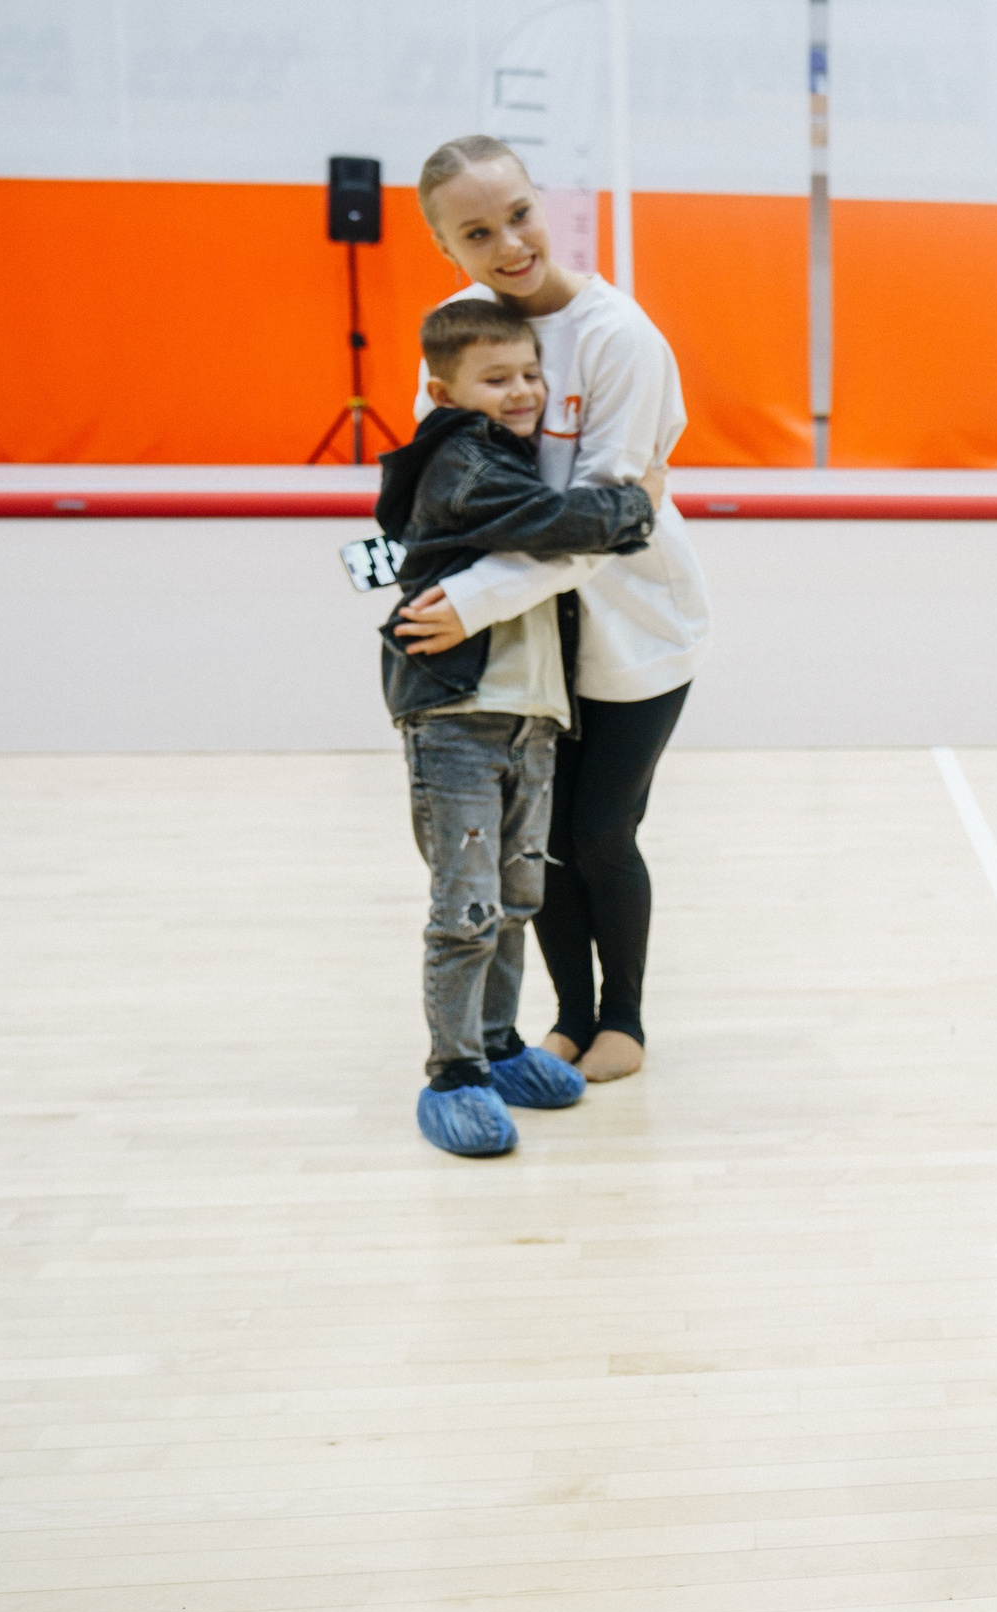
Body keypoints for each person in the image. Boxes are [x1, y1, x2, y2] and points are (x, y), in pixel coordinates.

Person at [393, 135, 710, 1086]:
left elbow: (608, 527)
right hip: (524, 645)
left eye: (519, 214)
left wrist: (474, 598)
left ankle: (625, 1019)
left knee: (600, 830)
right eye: (477, 232)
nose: (509, 245)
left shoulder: (620, 338)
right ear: (447, 248)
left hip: (633, 630)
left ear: (546, 205)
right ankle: (569, 1016)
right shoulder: (455, 325)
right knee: (541, 837)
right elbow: (454, 489)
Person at [376, 299, 664, 1157]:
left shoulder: (513, 456)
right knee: (466, 908)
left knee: (513, 900)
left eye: (532, 374)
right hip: (460, 719)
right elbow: (561, 526)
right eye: (496, 379)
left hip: (528, 714)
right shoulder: (465, 464)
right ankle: (454, 1072)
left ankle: (499, 1046)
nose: (522, 391)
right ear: (444, 390)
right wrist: (639, 504)